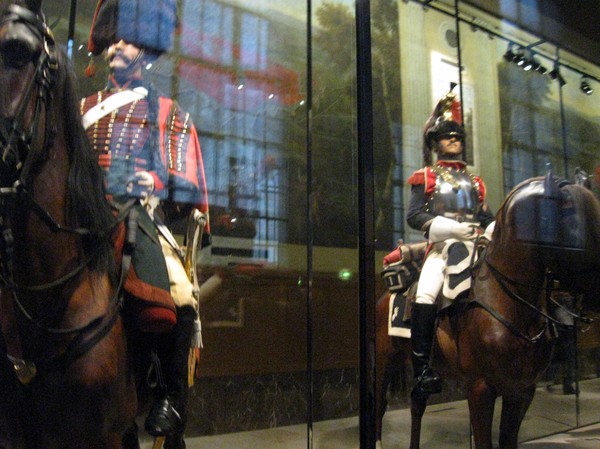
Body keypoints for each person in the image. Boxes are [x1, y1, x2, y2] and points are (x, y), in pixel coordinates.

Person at [80, 1, 210, 447]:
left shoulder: (168, 111)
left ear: (148, 51)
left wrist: (149, 180)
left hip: (141, 211)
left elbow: (184, 180)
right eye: (114, 36)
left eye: (129, 38)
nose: (118, 44)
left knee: (176, 288)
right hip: (83, 213)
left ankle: (168, 399)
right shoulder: (82, 107)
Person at [406, 86, 495, 395]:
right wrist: (449, 229)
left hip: (477, 247)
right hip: (443, 249)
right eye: (447, 136)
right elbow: (415, 216)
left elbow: (486, 217)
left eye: (457, 136)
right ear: (436, 142)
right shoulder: (427, 177)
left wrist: (494, 228)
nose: (454, 140)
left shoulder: (475, 182)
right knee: (426, 294)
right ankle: (422, 368)